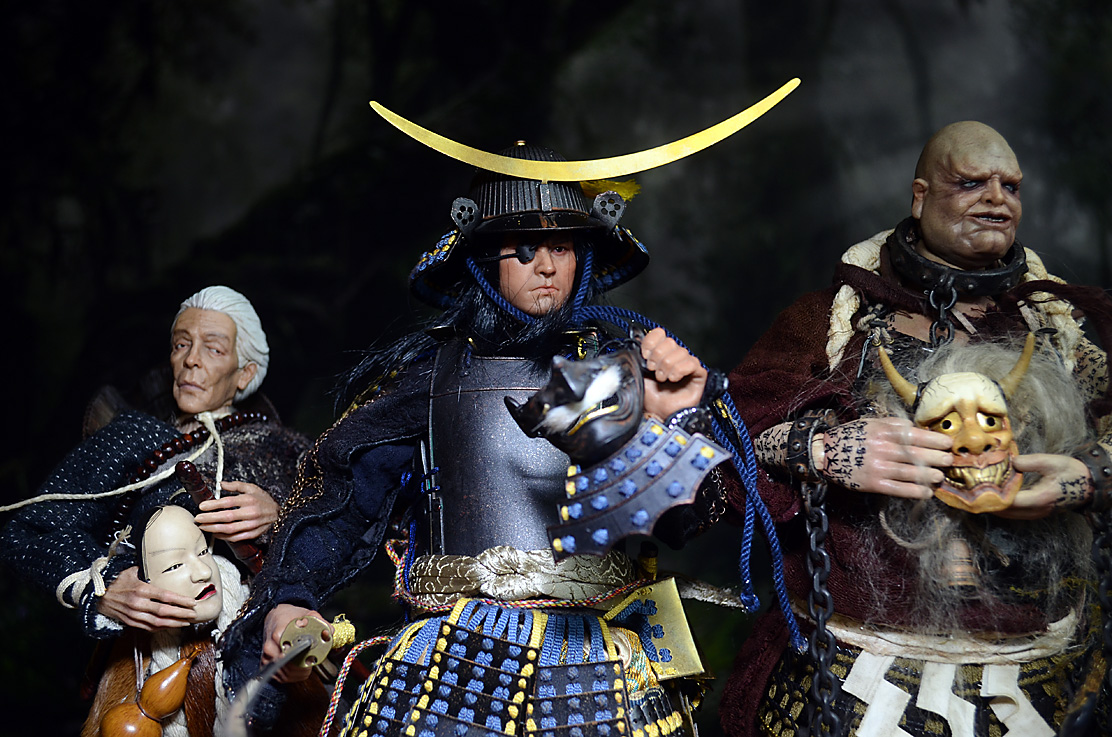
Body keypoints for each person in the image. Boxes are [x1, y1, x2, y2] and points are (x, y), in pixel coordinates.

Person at [221, 142, 738, 737]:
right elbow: (341, 497)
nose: (547, 267)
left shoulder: (622, 373)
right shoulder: (432, 380)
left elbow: (685, 520)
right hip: (457, 655)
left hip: (599, 658)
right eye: (525, 248)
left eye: (562, 247)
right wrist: (290, 596)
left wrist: (680, 418)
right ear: (485, 259)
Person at [721, 121, 1112, 736]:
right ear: (921, 197)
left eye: (1010, 186)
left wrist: (1089, 476)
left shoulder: (1064, 329)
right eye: (971, 183)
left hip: (1040, 674)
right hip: (855, 671)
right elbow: (720, 447)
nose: (997, 199)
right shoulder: (831, 323)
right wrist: (820, 450)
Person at [0, 285, 309, 639]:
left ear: (245, 373)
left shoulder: (282, 449)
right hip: (147, 649)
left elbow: (332, 535)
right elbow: (26, 534)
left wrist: (279, 515)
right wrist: (103, 585)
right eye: (181, 345)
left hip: (259, 642)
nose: (191, 360)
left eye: (214, 348)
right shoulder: (133, 436)